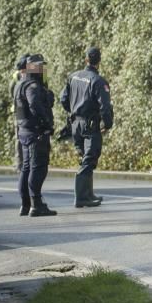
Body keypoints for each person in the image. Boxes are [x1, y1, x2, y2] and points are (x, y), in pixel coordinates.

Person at [60, 46, 113, 208]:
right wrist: (108, 124)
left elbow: (63, 99)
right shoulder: (98, 81)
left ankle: (88, 194)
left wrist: (74, 112)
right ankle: (81, 197)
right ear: (99, 61)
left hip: (76, 123)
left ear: (86, 60)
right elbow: (105, 106)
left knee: (84, 158)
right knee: (90, 158)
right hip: (90, 125)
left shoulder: (73, 77)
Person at [15, 54, 57, 217]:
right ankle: (36, 204)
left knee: (27, 167)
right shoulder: (32, 86)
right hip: (35, 132)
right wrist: (46, 123)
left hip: (25, 131)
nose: (41, 69)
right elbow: (35, 105)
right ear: (31, 67)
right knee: (38, 168)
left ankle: (26, 204)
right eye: (38, 66)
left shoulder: (21, 83)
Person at [9, 55, 28, 171]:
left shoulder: (40, 72)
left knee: (21, 135)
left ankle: (21, 162)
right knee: (20, 135)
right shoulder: (17, 75)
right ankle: (20, 162)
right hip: (19, 109)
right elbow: (11, 90)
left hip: (19, 108)